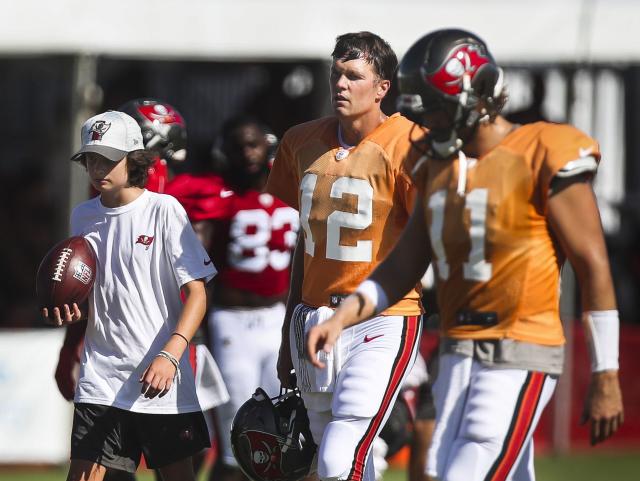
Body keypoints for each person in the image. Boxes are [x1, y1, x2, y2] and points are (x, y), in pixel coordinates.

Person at [306, 28, 624, 481]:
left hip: (519, 347)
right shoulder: (436, 165)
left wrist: (605, 370)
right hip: (458, 348)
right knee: (446, 469)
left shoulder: (544, 149)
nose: (427, 122)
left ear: (474, 94)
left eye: (434, 108)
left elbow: (593, 265)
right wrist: (341, 319)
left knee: (466, 471)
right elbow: (401, 265)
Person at [265, 31, 425, 481]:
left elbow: (430, 241)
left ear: (382, 88)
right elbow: (305, 244)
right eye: (336, 73)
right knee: (332, 462)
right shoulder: (299, 141)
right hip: (313, 319)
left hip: (381, 316)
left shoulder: (410, 144)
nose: (340, 84)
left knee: (341, 456)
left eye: (354, 75)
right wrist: (288, 332)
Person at [43, 110, 215, 481]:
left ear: (135, 158)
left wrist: (171, 354)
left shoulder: (165, 210)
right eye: (90, 158)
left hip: (160, 376)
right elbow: (95, 295)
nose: (96, 167)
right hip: (101, 376)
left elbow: (197, 294)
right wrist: (75, 312)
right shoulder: (82, 216)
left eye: (107, 158)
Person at [167, 116, 299, 481]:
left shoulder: (294, 189)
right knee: (236, 434)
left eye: (254, 143)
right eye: (239, 145)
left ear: (269, 145)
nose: (247, 152)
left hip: (278, 319)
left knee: (280, 434)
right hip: (231, 322)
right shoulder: (214, 196)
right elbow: (196, 265)